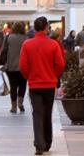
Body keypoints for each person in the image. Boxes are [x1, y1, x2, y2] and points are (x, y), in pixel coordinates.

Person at [20, 16, 66, 155]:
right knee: (47, 113)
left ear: (35, 28)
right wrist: (53, 75)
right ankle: (47, 142)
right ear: (46, 27)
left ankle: (39, 145)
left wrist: (31, 76)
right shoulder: (53, 44)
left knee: (37, 114)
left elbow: (23, 65)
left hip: (34, 85)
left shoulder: (27, 44)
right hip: (49, 84)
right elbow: (60, 65)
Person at [0, 22, 28, 113]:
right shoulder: (26, 38)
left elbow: (4, 51)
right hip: (24, 66)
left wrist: (0, 62)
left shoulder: (8, 37)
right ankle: (20, 103)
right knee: (23, 85)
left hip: (11, 66)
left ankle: (14, 106)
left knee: (13, 86)